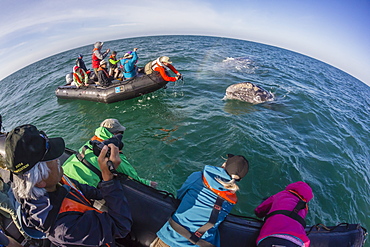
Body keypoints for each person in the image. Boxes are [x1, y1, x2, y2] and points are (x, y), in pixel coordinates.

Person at [5, 124, 132, 246]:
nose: (57, 159)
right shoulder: (64, 227)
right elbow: (120, 227)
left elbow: (85, 190)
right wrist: (108, 180)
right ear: (39, 180)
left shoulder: (57, 181)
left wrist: (107, 190)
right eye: (51, 158)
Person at [151, 154, 249, 247]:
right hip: (198, 243)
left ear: (224, 164)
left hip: (171, 237)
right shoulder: (231, 201)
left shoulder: (198, 177)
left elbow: (180, 196)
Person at [63, 118, 157, 188]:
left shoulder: (91, 142)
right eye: (121, 133)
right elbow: (132, 176)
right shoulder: (112, 151)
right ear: (116, 134)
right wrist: (149, 184)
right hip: (80, 185)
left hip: (64, 175)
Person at [254, 181, 313, 247]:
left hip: (273, 236)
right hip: (299, 242)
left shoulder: (281, 194)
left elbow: (260, 210)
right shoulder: (305, 207)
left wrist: (258, 213)